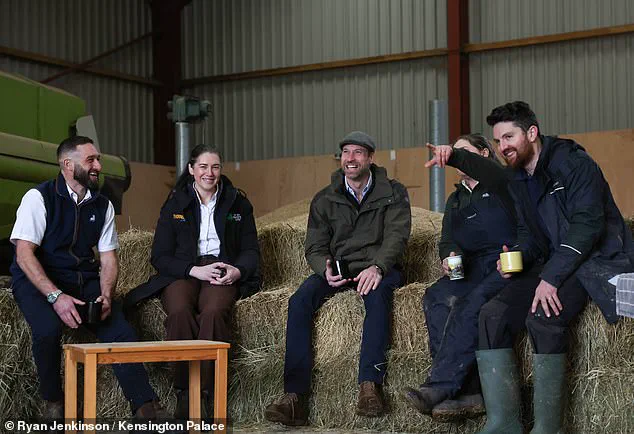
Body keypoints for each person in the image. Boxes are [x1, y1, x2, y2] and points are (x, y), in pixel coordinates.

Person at [426, 101, 634, 433]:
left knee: (542, 316)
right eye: (498, 140)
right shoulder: (519, 178)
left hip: (590, 260)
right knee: (492, 315)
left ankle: (547, 428)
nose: (503, 146)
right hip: (552, 261)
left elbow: (587, 227)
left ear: (532, 133)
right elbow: (530, 235)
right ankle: (503, 423)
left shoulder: (574, 164)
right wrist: (517, 258)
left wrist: (550, 278)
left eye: (509, 137)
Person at [10, 136, 166, 421]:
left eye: (98, 160)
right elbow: (23, 255)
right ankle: (54, 402)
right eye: (90, 160)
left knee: (120, 331)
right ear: (67, 165)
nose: (98, 166)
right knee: (47, 331)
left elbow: (108, 258)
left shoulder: (103, 205)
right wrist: (55, 297)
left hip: (81, 277)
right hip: (37, 278)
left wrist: (106, 294)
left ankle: (145, 406)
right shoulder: (38, 197)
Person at [264, 131, 411, 426]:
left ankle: (369, 386)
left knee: (378, 298)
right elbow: (314, 247)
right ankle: (293, 396)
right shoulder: (325, 198)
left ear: (370, 158)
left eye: (358, 152)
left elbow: (397, 237)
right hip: (341, 268)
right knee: (300, 301)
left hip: (377, 267)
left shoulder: (393, 192)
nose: (351, 158)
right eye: (346, 152)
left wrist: (378, 267)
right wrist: (324, 268)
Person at [124, 144, 260, 419]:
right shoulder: (175, 204)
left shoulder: (238, 203)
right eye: (203, 167)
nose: (210, 173)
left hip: (221, 267)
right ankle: (185, 393)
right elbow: (160, 256)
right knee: (179, 312)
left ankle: (205, 394)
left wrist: (237, 271)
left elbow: (251, 250)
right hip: (183, 270)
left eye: (215, 167)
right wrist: (193, 270)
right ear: (191, 169)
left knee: (213, 312)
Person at [403, 135, 517, 421]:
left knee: (470, 304)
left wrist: (453, 154)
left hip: (504, 263)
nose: (456, 158)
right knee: (437, 298)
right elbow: (447, 239)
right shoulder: (455, 200)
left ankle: (440, 387)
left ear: (484, 154)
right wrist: (449, 254)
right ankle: (466, 390)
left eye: (464, 152)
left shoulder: (501, 183)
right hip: (469, 266)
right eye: (455, 153)